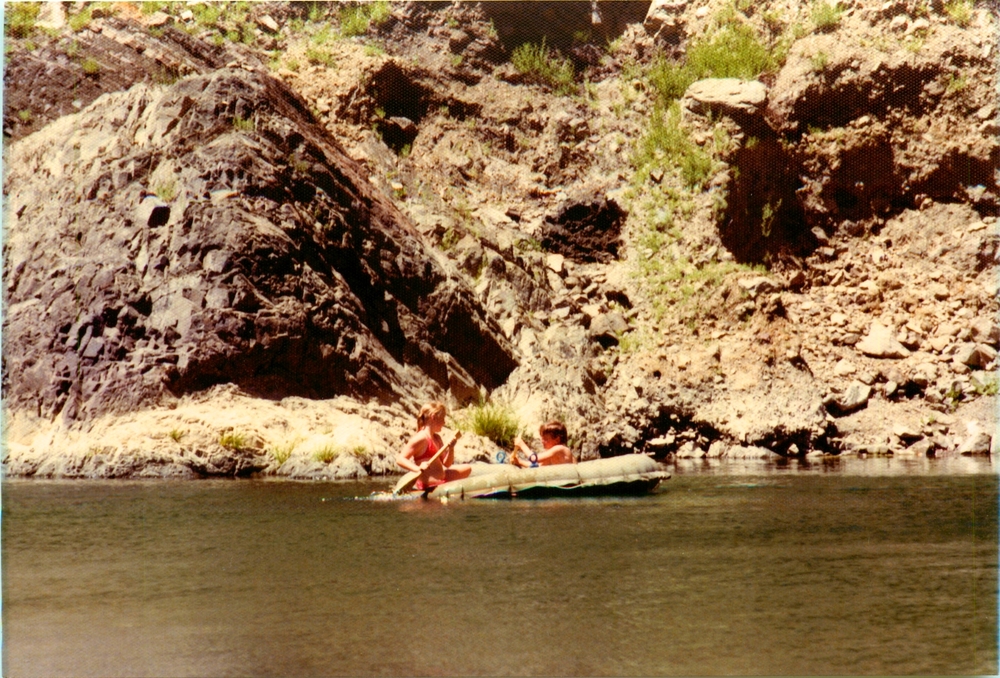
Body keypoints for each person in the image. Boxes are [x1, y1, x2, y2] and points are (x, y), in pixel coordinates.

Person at [396, 401, 472, 490]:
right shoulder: (421, 438)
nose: (444, 422)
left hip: (442, 478)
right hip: (430, 485)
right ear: (433, 417)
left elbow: (447, 464)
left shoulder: (437, 438)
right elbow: (400, 459)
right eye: (443, 418)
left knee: (467, 468)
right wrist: (418, 468)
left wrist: (451, 449)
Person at [510, 420, 576, 467]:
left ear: (557, 440)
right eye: (542, 438)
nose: (542, 441)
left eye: (545, 439)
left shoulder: (560, 449)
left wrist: (522, 445)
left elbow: (534, 459)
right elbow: (537, 466)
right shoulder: (553, 454)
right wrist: (519, 462)